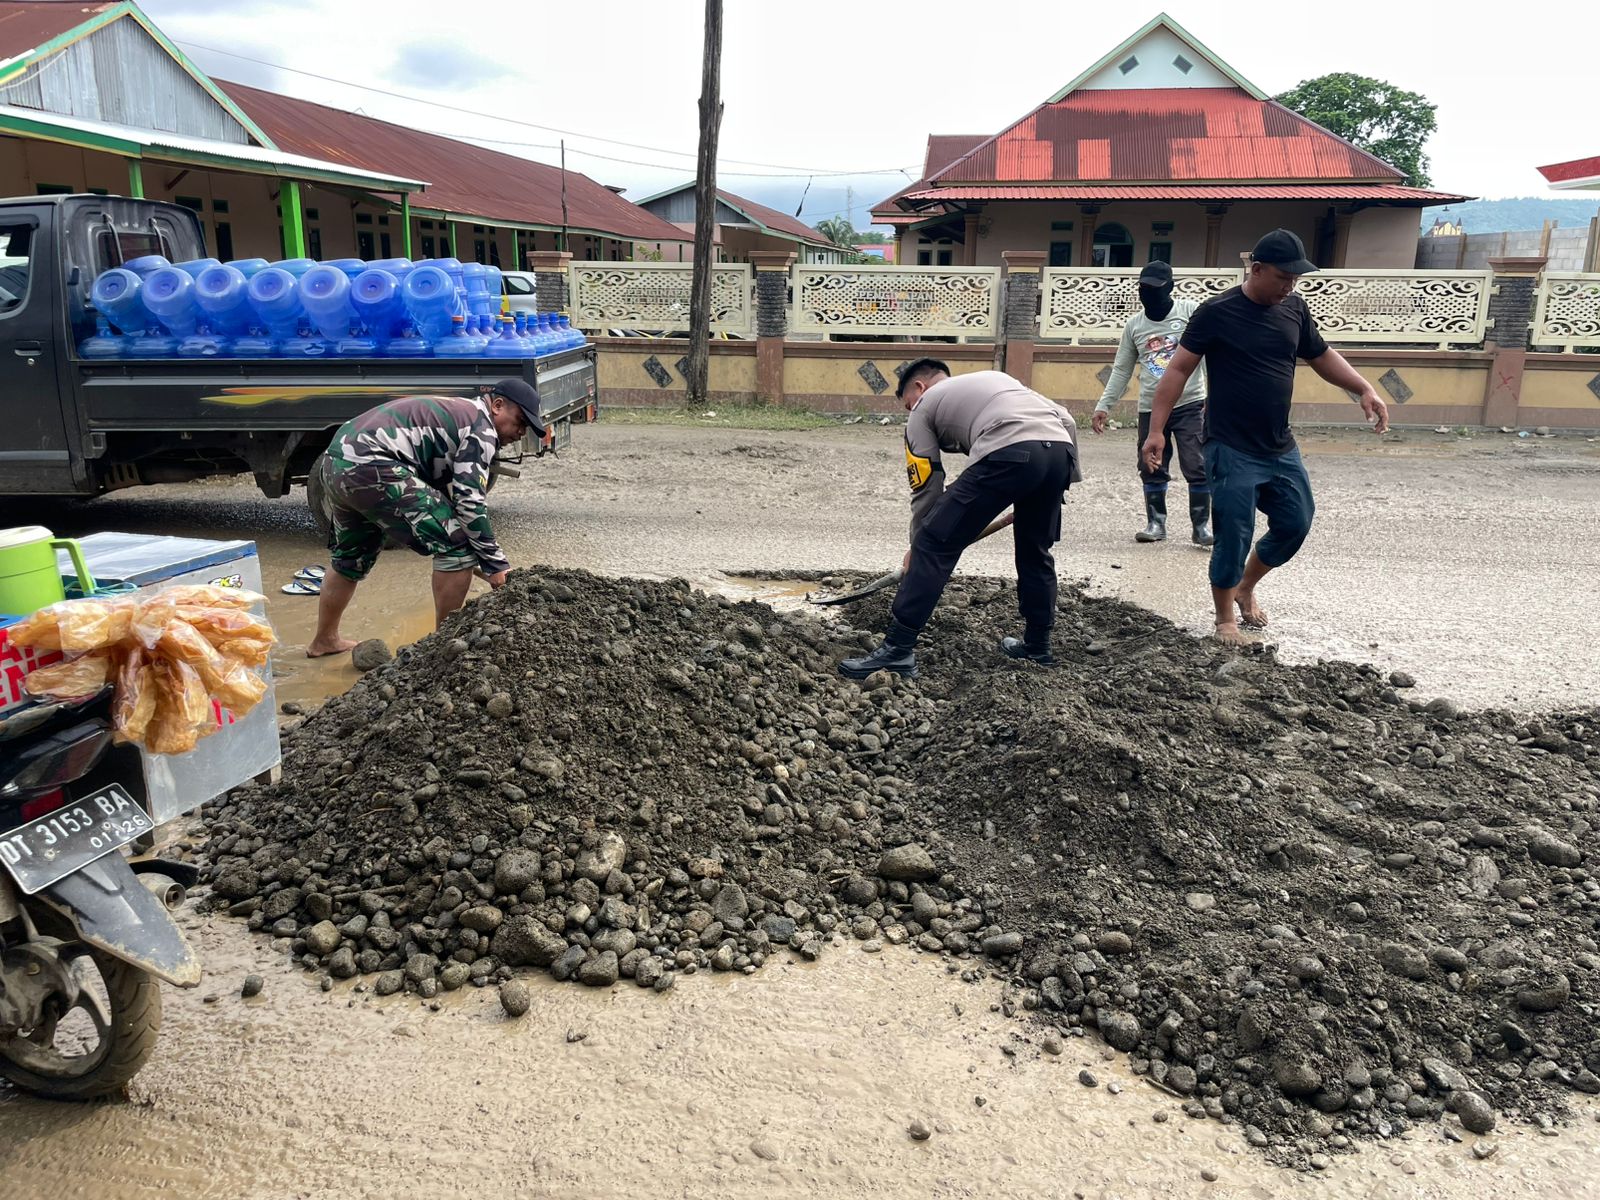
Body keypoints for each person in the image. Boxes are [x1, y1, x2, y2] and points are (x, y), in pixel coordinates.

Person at [1141, 229, 1388, 644]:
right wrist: (1155, 431)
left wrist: (1363, 388)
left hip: (1279, 445)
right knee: (1233, 533)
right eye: (1282, 277)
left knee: (1295, 522)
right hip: (1229, 446)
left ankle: (1246, 586)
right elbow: (1178, 369)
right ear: (1256, 269)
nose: (1290, 286)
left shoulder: (1294, 308)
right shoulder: (1216, 312)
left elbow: (1320, 354)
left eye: (1295, 279)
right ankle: (1224, 619)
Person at [838, 361, 1080, 680]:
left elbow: (927, 483)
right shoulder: (999, 380)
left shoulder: (924, 405)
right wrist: (1050, 486)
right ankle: (1038, 646)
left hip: (1009, 450)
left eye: (908, 404)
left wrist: (919, 545)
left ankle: (897, 649)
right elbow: (1067, 419)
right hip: (1059, 456)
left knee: (933, 541)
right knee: (1035, 551)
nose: (911, 411)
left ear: (919, 388)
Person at [307, 378, 544, 658]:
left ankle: (324, 640)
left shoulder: (460, 414)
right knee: (455, 545)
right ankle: (443, 650)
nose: (521, 432)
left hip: (336, 461)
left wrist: (488, 565)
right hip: (372, 463)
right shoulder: (481, 429)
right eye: (520, 422)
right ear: (498, 405)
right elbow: (470, 503)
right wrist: (496, 565)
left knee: (351, 556)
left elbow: (451, 501)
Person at [1091, 261, 1213, 546]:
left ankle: (1201, 527)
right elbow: (1121, 369)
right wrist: (1104, 405)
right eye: (1143, 289)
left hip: (1190, 403)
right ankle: (1156, 523)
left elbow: (1211, 353)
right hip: (1151, 407)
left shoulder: (1190, 312)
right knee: (1151, 464)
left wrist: (1214, 395)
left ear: (1170, 288)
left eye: (1155, 289)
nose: (1148, 294)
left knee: (1197, 463)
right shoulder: (1134, 326)